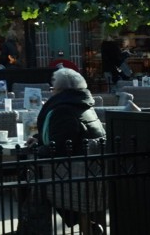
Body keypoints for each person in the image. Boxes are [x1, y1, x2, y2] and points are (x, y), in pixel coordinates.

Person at [31, 68, 108, 235]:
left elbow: (58, 146)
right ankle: (87, 223)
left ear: (60, 90)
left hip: (72, 175)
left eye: (53, 88)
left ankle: (32, 226)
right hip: (93, 173)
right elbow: (70, 132)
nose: (52, 92)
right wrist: (39, 138)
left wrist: (36, 149)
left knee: (29, 174)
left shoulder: (63, 109)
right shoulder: (83, 105)